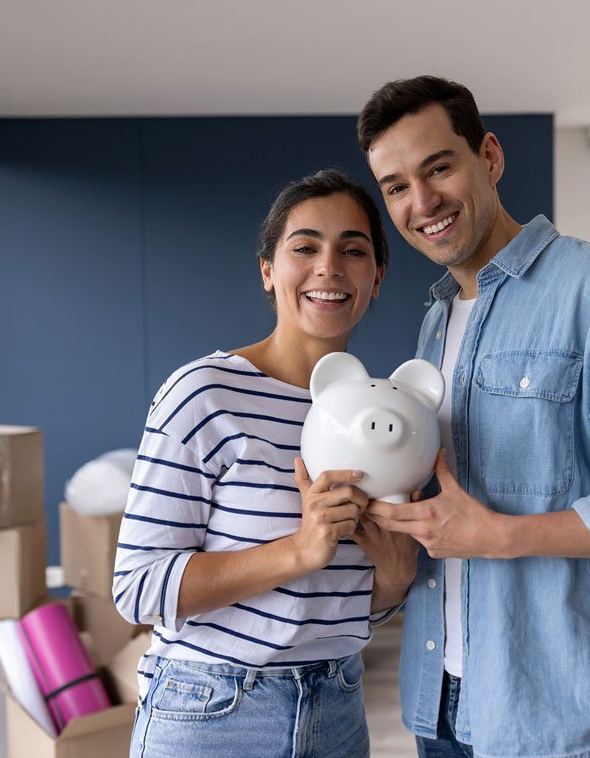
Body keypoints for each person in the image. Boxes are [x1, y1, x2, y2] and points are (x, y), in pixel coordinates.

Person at [357, 76, 590, 758]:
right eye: (397, 185)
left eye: (439, 168)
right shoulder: (437, 321)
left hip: (560, 715)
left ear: (489, 157)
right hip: (440, 706)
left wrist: (502, 535)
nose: (422, 202)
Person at [112, 170, 420, 757]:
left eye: (353, 250)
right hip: (213, 713)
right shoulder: (204, 394)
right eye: (305, 247)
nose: (329, 267)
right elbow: (139, 588)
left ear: (377, 278)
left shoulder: (381, 416)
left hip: (338, 708)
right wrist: (300, 549)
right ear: (268, 271)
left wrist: (394, 579)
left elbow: (343, 608)